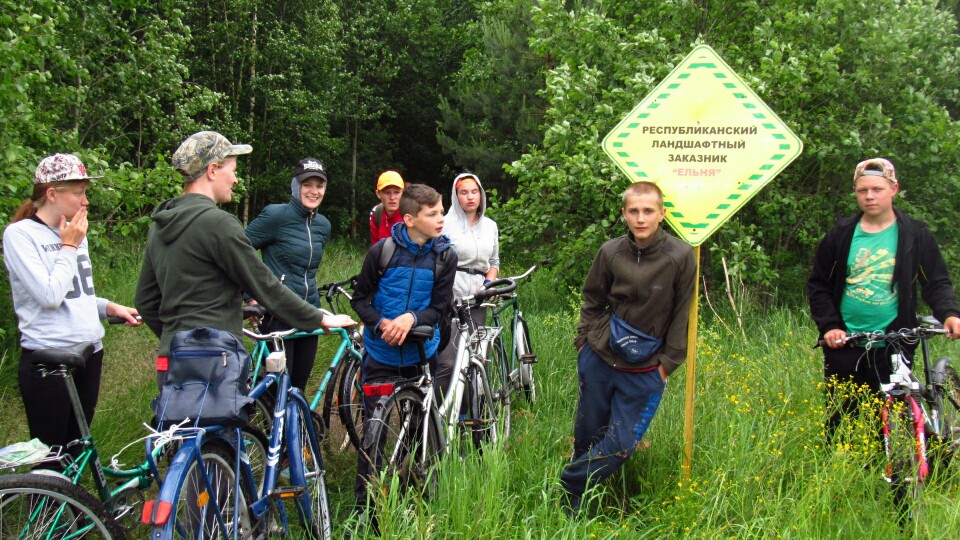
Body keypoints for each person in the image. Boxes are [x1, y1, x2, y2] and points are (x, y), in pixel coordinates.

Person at [135, 131, 353, 375]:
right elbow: (263, 284)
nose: (236, 180)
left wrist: (175, 339)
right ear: (213, 170)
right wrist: (319, 318)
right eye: (233, 170)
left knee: (176, 415)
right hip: (216, 357)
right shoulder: (219, 223)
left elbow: (145, 300)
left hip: (173, 357)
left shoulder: (160, 223)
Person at [560, 181, 696, 514]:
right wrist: (583, 342)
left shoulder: (680, 256)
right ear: (624, 214)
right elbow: (593, 297)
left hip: (648, 366)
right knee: (587, 435)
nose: (641, 218)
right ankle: (574, 507)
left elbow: (682, 313)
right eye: (633, 211)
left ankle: (570, 481)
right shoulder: (610, 252)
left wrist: (668, 362)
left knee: (622, 445)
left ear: (662, 214)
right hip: (600, 356)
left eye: (648, 211)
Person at [807, 157, 960, 441]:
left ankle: (901, 472)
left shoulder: (915, 234)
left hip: (895, 338)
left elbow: (936, 282)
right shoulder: (840, 235)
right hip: (845, 341)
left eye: (877, 189)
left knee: (890, 424)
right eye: (862, 190)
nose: (869, 196)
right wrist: (829, 327)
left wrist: (950, 314)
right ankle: (841, 472)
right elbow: (819, 285)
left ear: (894, 189)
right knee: (841, 421)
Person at [3, 153, 141, 458]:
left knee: (79, 450)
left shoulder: (75, 232)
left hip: (89, 352)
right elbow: (49, 295)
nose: (85, 201)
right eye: (78, 193)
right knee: (51, 455)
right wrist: (68, 245)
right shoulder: (21, 235)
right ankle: (47, 504)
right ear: (52, 194)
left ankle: (77, 506)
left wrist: (107, 306)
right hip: (50, 358)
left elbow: (74, 291)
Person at [350, 183, 457, 514]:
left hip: (422, 355)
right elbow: (360, 300)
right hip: (380, 355)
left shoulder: (445, 256)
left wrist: (410, 318)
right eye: (433, 213)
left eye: (441, 211)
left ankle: (412, 489)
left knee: (417, 428)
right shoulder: (381, 252)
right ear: (410, 219)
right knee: (375, 432)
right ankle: (364, 509)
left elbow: (439, 308)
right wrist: (383, 324)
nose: (441, 218)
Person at [244, 157, 332, 392]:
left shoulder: (323, 225)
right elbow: (236, 254)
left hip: (309, 312)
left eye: (319, 185)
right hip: (277, 314)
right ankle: (268, 428)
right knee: (277, 389)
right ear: (296, 186)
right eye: (307, 185)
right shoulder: (275, 216)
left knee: (298, 388)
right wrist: (250, 297)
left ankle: (296, 429)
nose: (314, 191)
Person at [436, 172, 500, 394]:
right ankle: (439, 417)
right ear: (456, 196)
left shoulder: (490, 226)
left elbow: (493, 263)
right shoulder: (443, 224)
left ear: (481, 195)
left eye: (474, 192)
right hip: (450, 297)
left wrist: (489, 285)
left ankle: (468, 415)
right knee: (448, 361)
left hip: (478, 299)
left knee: (475, 359)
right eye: (464, 192)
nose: (470, 197)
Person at [369, 170, 404, 244]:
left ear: (403, 193)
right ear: (378, 194)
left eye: (397, 192)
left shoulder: (411, 213)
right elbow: (375, 246)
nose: (392, 197)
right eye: (387, 193)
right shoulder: (376, 212)